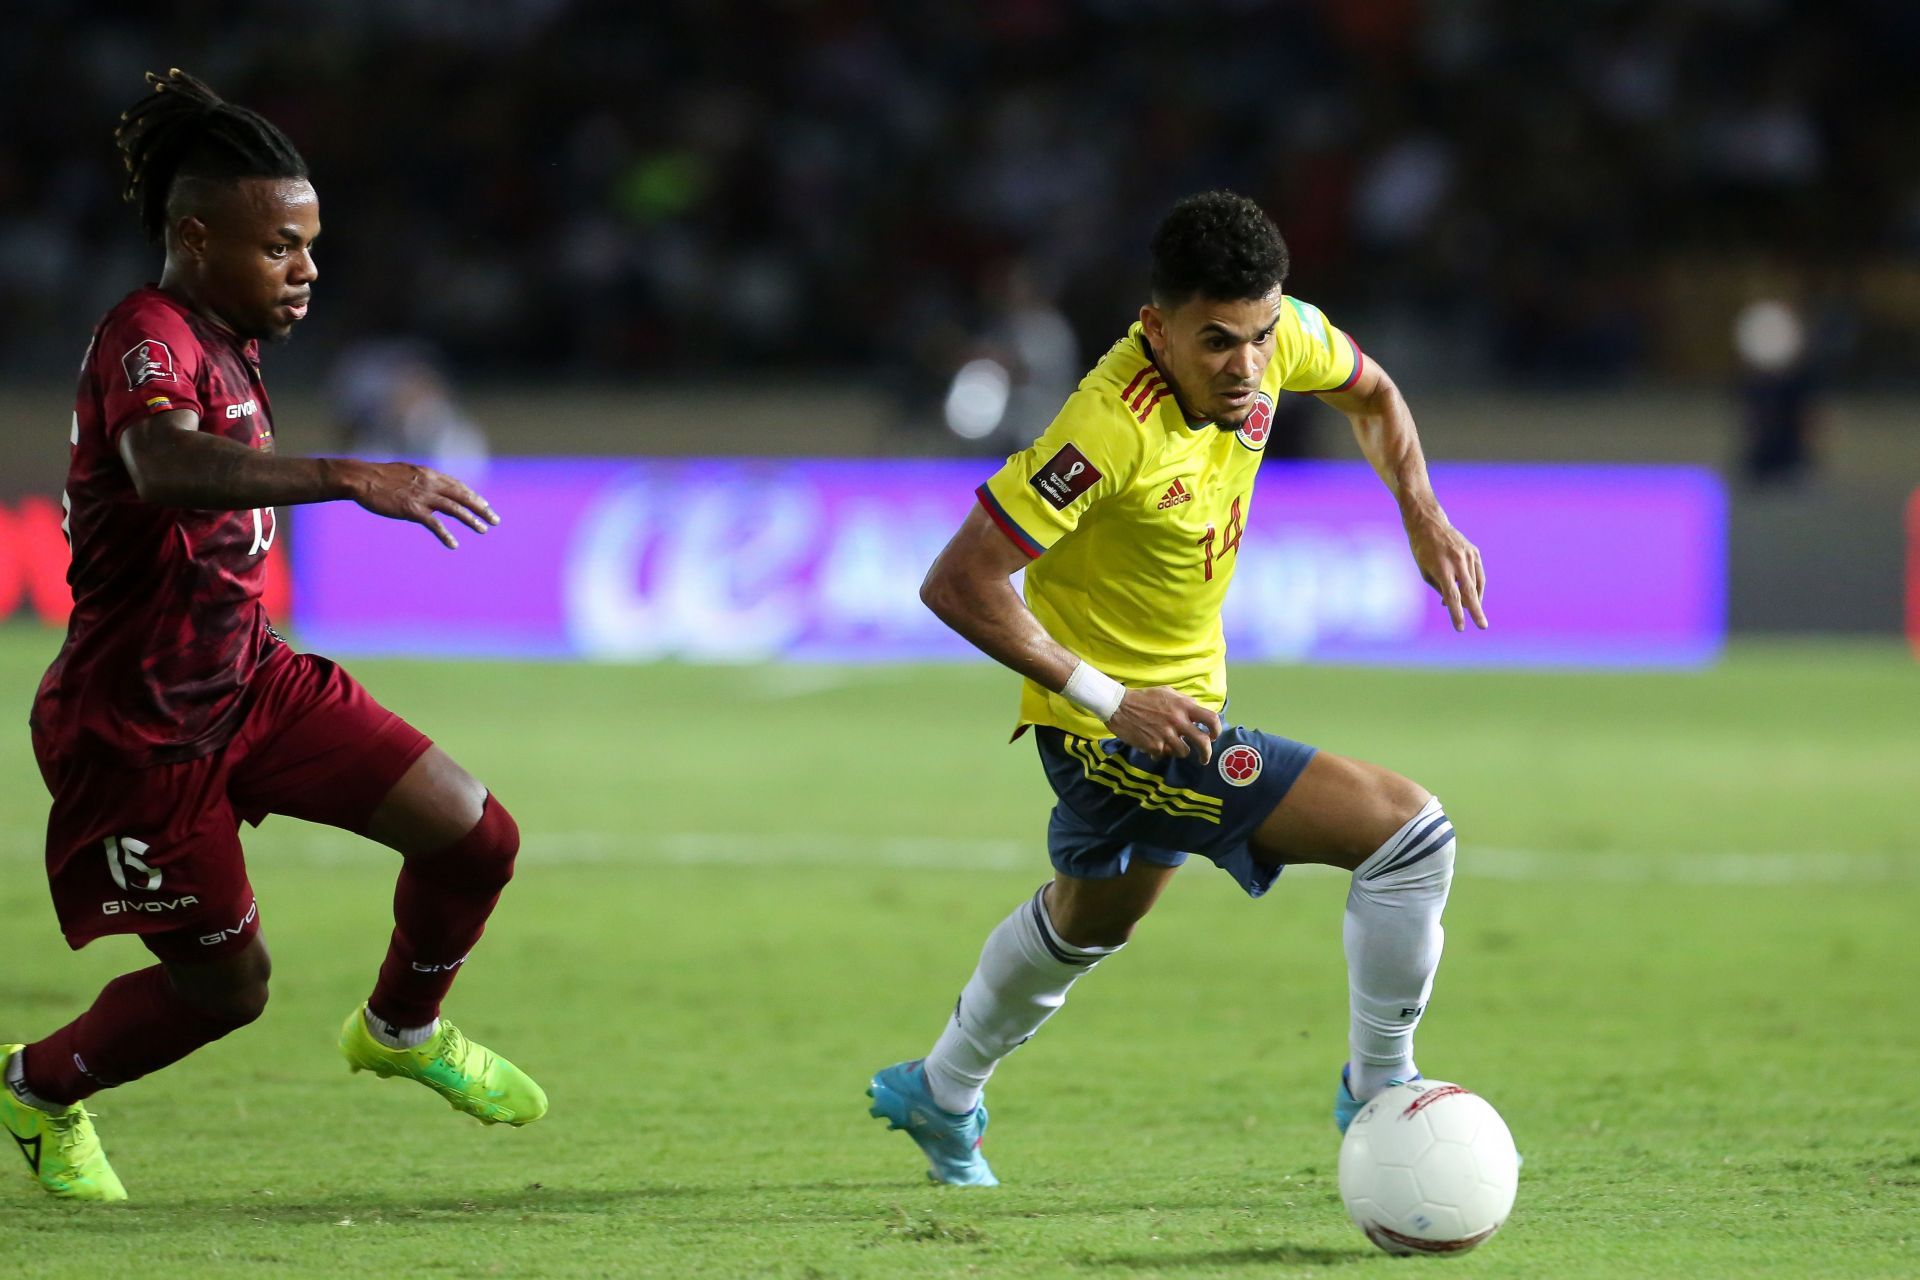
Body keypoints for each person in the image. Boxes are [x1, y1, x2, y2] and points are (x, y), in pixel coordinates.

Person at [867, 191, 1487, 1186]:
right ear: (1156, 328)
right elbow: (958, 581)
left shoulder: (1280, 343)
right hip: (1118, 730)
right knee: (1409, 835)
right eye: (1215, 342)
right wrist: (1116, 702)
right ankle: (1381, 1087)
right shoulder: (1105, 429)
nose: (1246, 368)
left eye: (1258, 335)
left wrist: (1420, 507)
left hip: (1176, 704)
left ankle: (938, 1090)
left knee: (1093, 919)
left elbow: (1375, 395)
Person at [2, 70, 546, 1204]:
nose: (305, 270)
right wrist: (350, 474)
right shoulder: (146, 334)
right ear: (195, 238)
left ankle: (401, 1026)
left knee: (474, 833)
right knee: (227, 989)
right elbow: (165, 465)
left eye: (309, 245)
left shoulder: (225, 330)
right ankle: (37, 1087)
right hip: (140, 729)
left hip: (251, 678)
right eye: (280, 248)